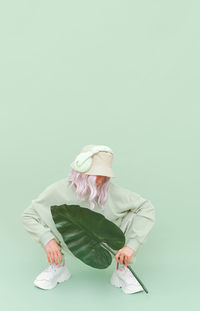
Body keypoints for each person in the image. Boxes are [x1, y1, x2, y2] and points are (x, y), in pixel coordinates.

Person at [21, 144, 155, 294]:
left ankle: (122, 270)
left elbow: (146, 207)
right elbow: (28, 215)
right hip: (68, 241)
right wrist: (47, 240)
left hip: (108, 243)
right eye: (96, 174)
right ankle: (58, 267)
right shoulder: (59, 190)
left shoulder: (111, 191)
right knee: (52, 213)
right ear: (82, 171)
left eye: (104, 176)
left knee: (136, 214)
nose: (100, 180)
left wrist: (132, 246)